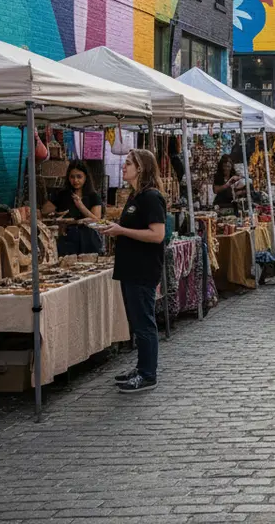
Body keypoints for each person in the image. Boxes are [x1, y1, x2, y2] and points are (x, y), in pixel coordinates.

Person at [98, 149, 167, 394]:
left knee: (144, 323)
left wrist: (122, 232)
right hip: (130, 269)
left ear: (141, 168)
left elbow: (157, 235)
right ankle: (141, 367)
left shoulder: (151, 197)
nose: (123, 167)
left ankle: (148, 374)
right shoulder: (134, 196)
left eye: (128, 163)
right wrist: (114, 229)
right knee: (137, 323)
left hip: (143, 269)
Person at [51, 160, 103, 256]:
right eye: (72, 177)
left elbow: (97, 220)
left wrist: (81, 206)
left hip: (88, 240)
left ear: (85, 177)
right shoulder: (63, 195)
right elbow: (47, 211)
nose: (75, 181)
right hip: (68, 240)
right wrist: (56, 215)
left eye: (79, 177)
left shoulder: (93, 196)